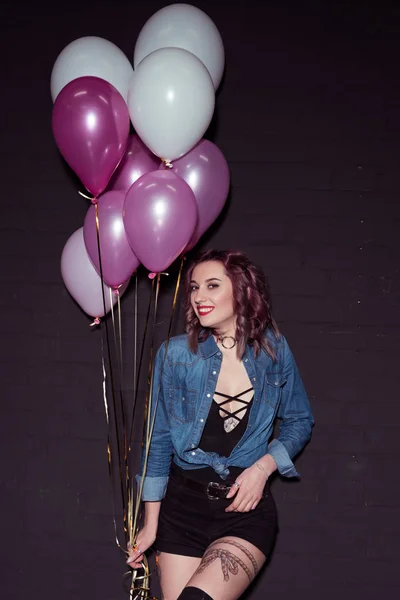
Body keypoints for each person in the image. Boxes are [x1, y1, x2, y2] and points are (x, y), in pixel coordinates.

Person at [127, 249, 314, 600]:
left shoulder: (274, 352)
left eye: (212, 285)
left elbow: (299, 420)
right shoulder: (175, 355)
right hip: (180, 512)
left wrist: (263, 468)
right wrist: (150, 524)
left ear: (242, 290)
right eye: (195, 288)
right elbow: (159, 442)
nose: (200, 297)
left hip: (242, 512)